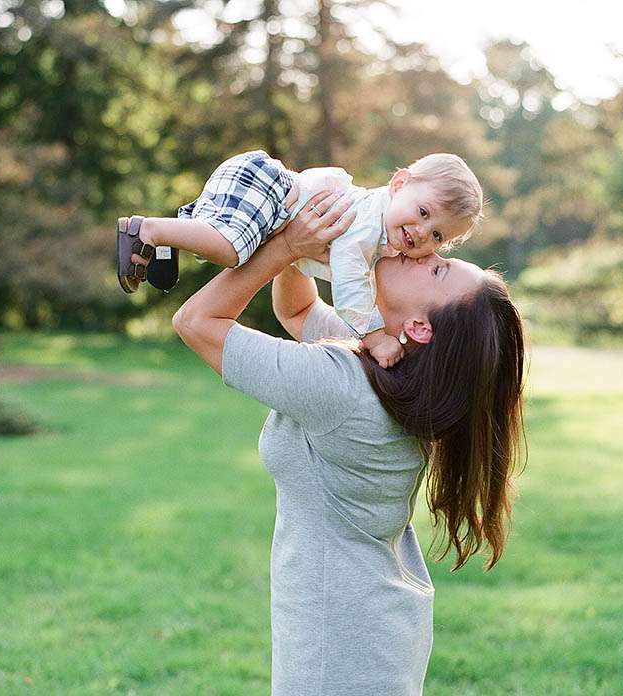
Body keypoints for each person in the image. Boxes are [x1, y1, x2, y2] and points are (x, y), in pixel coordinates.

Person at [130, 190, 525, 695]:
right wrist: (314, 236)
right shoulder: (392, 367)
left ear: (420, 327)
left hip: (338, 650)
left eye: (438, 270)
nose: (423, 252)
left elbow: (195, 322)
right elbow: (297, 311)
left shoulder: (345, 386)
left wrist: (283, 247)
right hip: (370, 630)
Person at [116, 150, 483, 367]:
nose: (422, 233)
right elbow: (350, 283)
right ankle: (147, 231)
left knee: (227, 246)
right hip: (267, 186)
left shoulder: (378, 235)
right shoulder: (367, 228)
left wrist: (291, 250)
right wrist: (374, 338)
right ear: (399, 185)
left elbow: (300, 300)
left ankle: (167, 242)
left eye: (437, 236)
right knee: (230, 250)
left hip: (268, 194)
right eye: (422, 212)